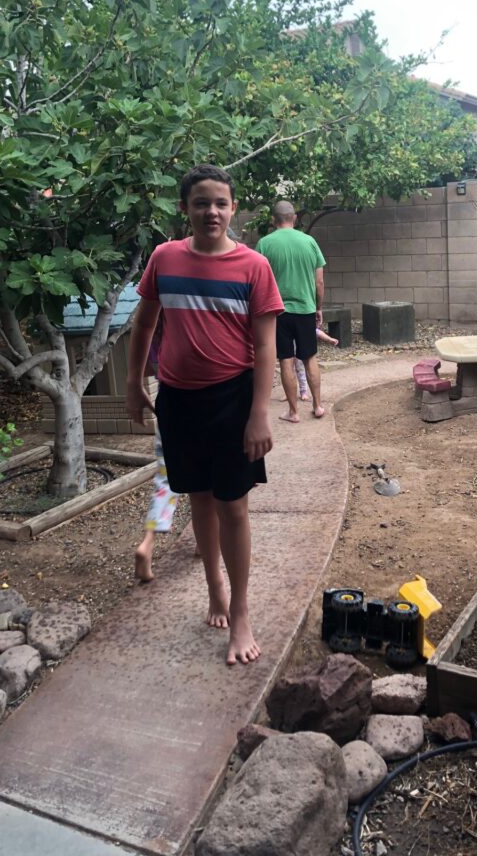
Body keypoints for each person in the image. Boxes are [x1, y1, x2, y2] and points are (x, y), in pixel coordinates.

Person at [125, 164, 283, 666]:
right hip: (178, 399)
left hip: (233, 401)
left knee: (233, 504)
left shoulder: (253, 266)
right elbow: (145, 323)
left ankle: (240, 612)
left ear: (233, 208)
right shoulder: (164, 258)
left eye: (220, 203)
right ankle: (213, 583)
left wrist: (260, 413)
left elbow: (264, 346)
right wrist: (134, 383)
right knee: (198, 497)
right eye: (201, 203)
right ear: (185, 209)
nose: (211, 211)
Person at [255, 200, 327, 423]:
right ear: (294, 218)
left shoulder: (264, 244)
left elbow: (257, 282)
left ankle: (294, 412)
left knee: (286, 360)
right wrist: (318, 308)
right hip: (306, 310)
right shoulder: (309, 242)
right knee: (310, 358)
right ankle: (317, 406)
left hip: (277, 313)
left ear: (272, 220)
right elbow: (319, 282)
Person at [294, 326, 338, 401]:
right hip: (289, 354)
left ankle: (303, 391)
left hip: (300, 353)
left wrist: (329, 339)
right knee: (288, 372)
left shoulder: (305, 324)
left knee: (301, 371)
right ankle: (289, 392)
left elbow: (317, 332)